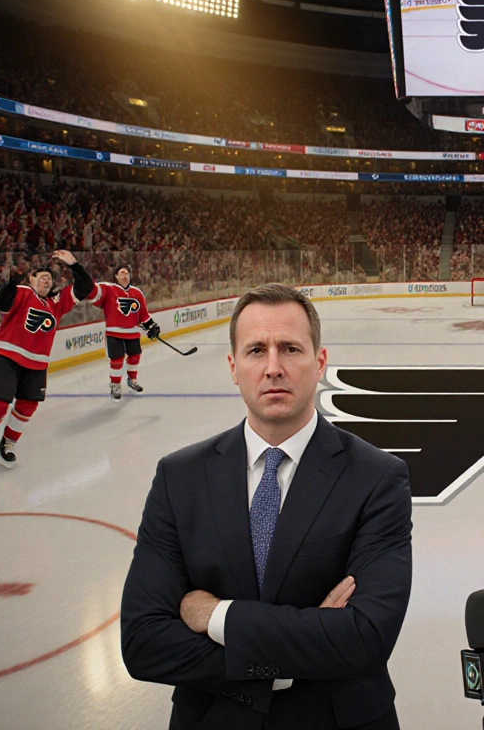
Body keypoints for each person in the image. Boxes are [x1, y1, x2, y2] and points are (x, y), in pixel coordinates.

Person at [121, 283, 412, 730]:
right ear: (234, 367)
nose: (273, 367)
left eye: (290, 349)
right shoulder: (179, 478)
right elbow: (144, 642)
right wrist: (292, 654)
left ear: (319, 363)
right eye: (257, 350)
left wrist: (215, 614)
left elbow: (365, 639)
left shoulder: (376, 477)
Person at [0, 250, 94, 477]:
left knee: (27, 407)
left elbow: (86, 287)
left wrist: (73, 264)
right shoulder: (22, 292)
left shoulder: (57, 303)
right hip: (7, 356)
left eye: (49, 277)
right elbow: (0, 303)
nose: (46, 278)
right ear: (31, 280)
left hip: (37, 363)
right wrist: (12, 281)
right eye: (41, 276)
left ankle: (7, 444)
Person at [89, 263, 159, 401]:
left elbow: (143, 315)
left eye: (127, 273)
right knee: (116, 360)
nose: (125, 275)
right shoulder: (109, 289)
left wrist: (152, 327)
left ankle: (132, 380)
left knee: (135, 357)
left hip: (132, 332)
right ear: (116, 276)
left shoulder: (137, 293)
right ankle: (115, 385)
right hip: (114, 333)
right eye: (122, 273)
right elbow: (95, 297)